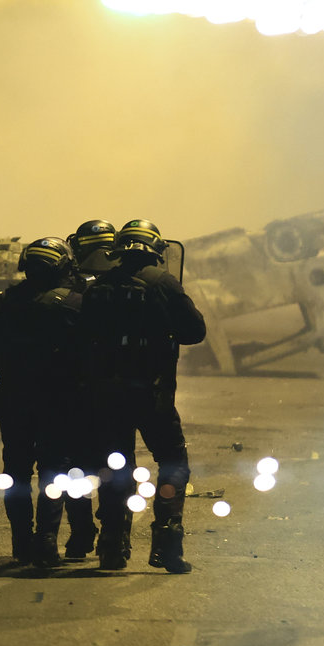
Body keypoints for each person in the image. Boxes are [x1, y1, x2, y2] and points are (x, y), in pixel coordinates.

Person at [82, 218, 206, 573]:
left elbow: (81, 339)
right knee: (172, 463)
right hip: (154, 395)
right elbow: (195, 331)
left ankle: (111, 547)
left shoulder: (98, 288)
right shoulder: (164, 284)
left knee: (115, 467)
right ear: (155, 250)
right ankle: (167, 546)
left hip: (107, 396)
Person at [0, 237, 89, 567]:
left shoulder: (0, 305)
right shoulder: (74, 305)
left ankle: (22, 543)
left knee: (17, 473)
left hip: (13, 401)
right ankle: (47, 541)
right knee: (53, 471)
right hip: (58, 400)